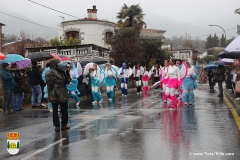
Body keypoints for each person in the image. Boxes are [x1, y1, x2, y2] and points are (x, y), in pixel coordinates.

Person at [46, 59, 71, 131]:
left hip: (52, 94)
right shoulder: (60, 72)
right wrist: (67, 72)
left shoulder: (48, 72)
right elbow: (67, 81)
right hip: (62, 94)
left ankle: (56, 125)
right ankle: (64, 124)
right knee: (64, 110)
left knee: (55, 110)